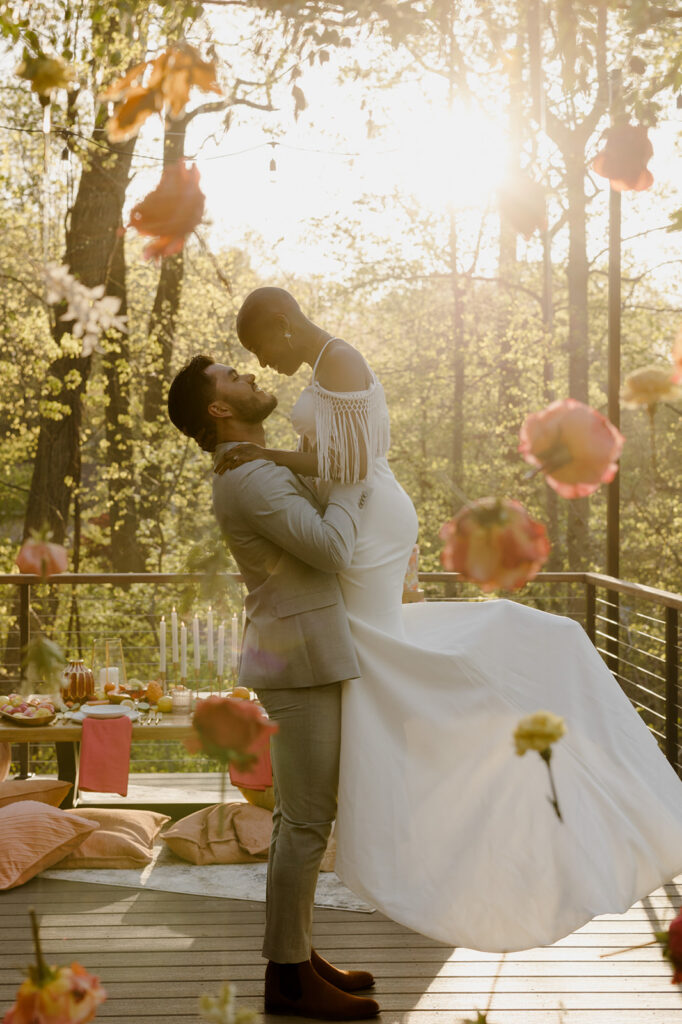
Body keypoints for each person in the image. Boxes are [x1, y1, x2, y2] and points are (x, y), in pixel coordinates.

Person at [217, 286, 682, 953]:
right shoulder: (327, 367)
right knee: (377, 646)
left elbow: (347, 468)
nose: (265, 363)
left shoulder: (340, 361)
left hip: (367, 521)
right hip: (371, 516)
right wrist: (277, 460)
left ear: (283, 326)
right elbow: (344, 463)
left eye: (262, 348)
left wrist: (270, 457)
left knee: (375, 646)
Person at [167, 357, 380, 1021]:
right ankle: (288, 979)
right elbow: (331, 547)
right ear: (217, 409)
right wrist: (347, 482)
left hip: (304, 654)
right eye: (232, 376)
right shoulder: (251, 477)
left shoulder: (254, 465)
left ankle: (298, 953)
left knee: (298, 819)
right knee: (307, 823)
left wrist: (320, 460)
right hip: (303, 661)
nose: (251, 375)